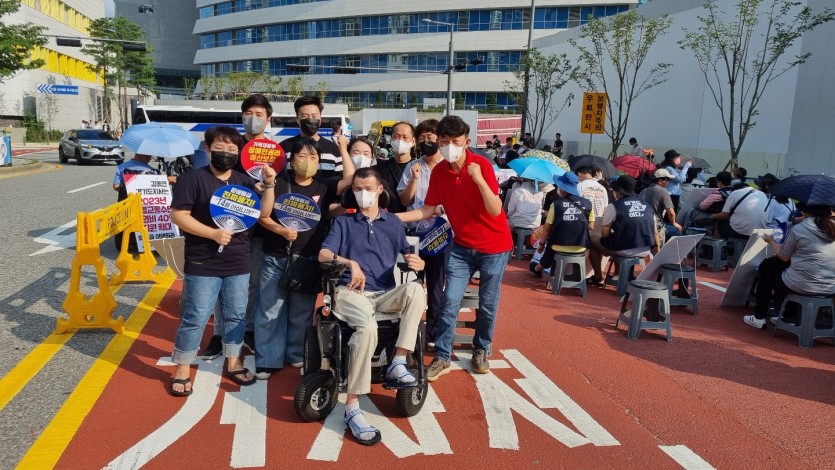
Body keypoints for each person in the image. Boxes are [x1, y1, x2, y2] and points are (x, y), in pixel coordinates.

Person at [398, 115, 512, 381]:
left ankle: (481, 349)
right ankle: (442, 356)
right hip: (462, 245)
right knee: (449, 299)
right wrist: (393, 218)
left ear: (467, 142)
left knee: (487, 302)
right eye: (444, 141)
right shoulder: (440, 172)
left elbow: (495, 209)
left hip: (494, 247)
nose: (450, 146)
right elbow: (427, 209)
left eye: (455, 141)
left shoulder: (482, 165)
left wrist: (479, 180)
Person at [318, 167, 426, 446]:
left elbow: (409, 255)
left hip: (383, 293)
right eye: (357, 189)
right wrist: (350, 263)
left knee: (415, 289)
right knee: (366, 327)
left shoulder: (393, 223)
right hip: (350, 292)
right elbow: (324, 254)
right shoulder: (344, 222)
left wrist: (417, 261)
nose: (362, 193)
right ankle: (352, 406)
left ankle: (398, 362)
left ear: (380, 190)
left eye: (367, 188)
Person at [168, 126, 277, 397]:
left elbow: (263, 213)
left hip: (238, 260)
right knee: (196, 316)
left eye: (231, 149)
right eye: (219, 148)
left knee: (236, 315)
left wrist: (269, 185)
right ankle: (182, 367)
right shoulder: (192, 179)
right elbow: (179, 216)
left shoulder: (244, 182)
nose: (225, 153)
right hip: (202, 261)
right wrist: (212, 234)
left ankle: (233, 361)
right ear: (207, 149)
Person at [254, 136, 354, 379]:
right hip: (275, 256)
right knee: (270, 310)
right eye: (302, 156)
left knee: (301, 311)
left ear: (319, 162)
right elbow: (263, 215)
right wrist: (280, 230)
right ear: (291, 160)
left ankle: (296, 353)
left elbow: (350, 179)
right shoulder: (278, 182)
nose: (307, 161)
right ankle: (267, 359)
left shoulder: (324, 186)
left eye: (313, 157)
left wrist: (343, 148)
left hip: (307, 259)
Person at [199, 93, 274, 360]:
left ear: (268, 119)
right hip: (224, 226)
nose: (253, 119)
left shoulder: (274, 153)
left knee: (250, 284)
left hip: (257, 229)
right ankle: (219, 334)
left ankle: (246, 331)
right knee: (221, 283)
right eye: (248, 113)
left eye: (259, 114)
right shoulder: (230, 145)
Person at [743, 205, 835, 329]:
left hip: (803, 284)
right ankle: (789, 316)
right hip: (830, 287)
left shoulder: (799, 229)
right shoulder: (831, 228)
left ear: (805, 212)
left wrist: (771, 241)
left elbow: (784, 256)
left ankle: (759, 317)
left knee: (767, 270)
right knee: (789, 271)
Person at [398, 119, 446, 347]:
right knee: (412, 283)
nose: (427, 142)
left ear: (440, 140)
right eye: (423, 138)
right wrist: (414, 180)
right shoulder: (413, 166)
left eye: (431, 137)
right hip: (415, 233)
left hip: (442, 234)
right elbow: (404, 200)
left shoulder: (448, 166)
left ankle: (433, 334)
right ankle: (409, 335)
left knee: (436, 285)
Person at [588, 175, 659, 285]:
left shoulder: (613, 206)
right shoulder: (647, 205)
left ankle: (598, 276)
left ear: (618, 192)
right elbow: (655, 232)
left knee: (593, 241)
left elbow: (605, 234)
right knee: (618, 239)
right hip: (646, 249)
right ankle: (617, 274)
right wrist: (657, 248)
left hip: (624, 249)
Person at [532, 172, 594, 278]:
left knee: (552, 242)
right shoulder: (588, 203)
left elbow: (547, 228)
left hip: (558, 245)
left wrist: (541, 245)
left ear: (563, 189)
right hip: (581, 247)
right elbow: (591, 226)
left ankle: (539, 268)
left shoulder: (556, 204)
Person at [281, 96, 343, 179]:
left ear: (320, 118)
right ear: (297, 119)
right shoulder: (283, 148)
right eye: (305, 116)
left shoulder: (333, 149)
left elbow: (340, 179)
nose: (310, 120)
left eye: (314, 116)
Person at [112, 153, 162, 252]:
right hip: (146, 204)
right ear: (140, 155)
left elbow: (115, 186)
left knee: (124, 221)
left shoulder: (122, 167)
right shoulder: (152, 170)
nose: (149, 158)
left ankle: (126, 243)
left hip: (127, 201)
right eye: (148, 156)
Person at [374, 121, 414, 213]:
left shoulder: (419, 167)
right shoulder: (378, 169)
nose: (400, 140)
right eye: (396, 136)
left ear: (413, 141)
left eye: (405, 137)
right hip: (386, 218)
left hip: (414, 218)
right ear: (391, 139)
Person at [638, 168, 682, 247]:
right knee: (677, 232)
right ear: (660, 180)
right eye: (667, 179)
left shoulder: (643, 191)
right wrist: (674, 223)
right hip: (655, 225)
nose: (668, 182)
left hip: (641, 224)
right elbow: (671, 213)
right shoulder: (663, 191)